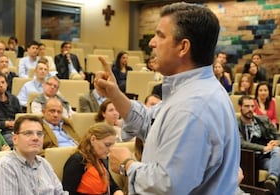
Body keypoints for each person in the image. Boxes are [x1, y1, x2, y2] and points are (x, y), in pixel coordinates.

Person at [96, 2, 239, 194]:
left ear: (183, 47)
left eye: (160, 35)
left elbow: (168, 186)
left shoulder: (192, 107)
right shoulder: (195, 92)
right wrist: (114, 94)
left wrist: (127, 164)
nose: (151, 43)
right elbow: (150, 122)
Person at [0, 115, 68, 195]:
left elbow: (60, 193)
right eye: (28, 133)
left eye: (39, 134)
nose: (35, 138)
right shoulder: (5, 167)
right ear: (15, 139)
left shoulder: (44, 163)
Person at [62, 123, 123, 195]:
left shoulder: (101, 159)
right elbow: (68, 192)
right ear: (93, 139)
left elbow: (113, 187)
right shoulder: (77, 161)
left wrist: (118, 192)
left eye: (112, 145)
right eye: (107, 145)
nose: (110, 149)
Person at [237, 95, 280, 193]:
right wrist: (264, 148)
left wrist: (277, 142)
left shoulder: (263, 120)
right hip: (254, 158)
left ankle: (272, 178)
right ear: (240, 107)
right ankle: (273, 178)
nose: (250, 109)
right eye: (247, 106)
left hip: (272, 155)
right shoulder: (236, 124)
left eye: (252, 106)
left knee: (277, 150)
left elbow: (278, 136)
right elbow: (242, 143)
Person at [0, 72, 21, 148]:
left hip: (17, 130)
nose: (1, 85)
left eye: (3, 82)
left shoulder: (14, 99)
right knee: (19, 142)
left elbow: (21, 116)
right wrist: (6, 124)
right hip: (0, 132)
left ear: (7, 84)